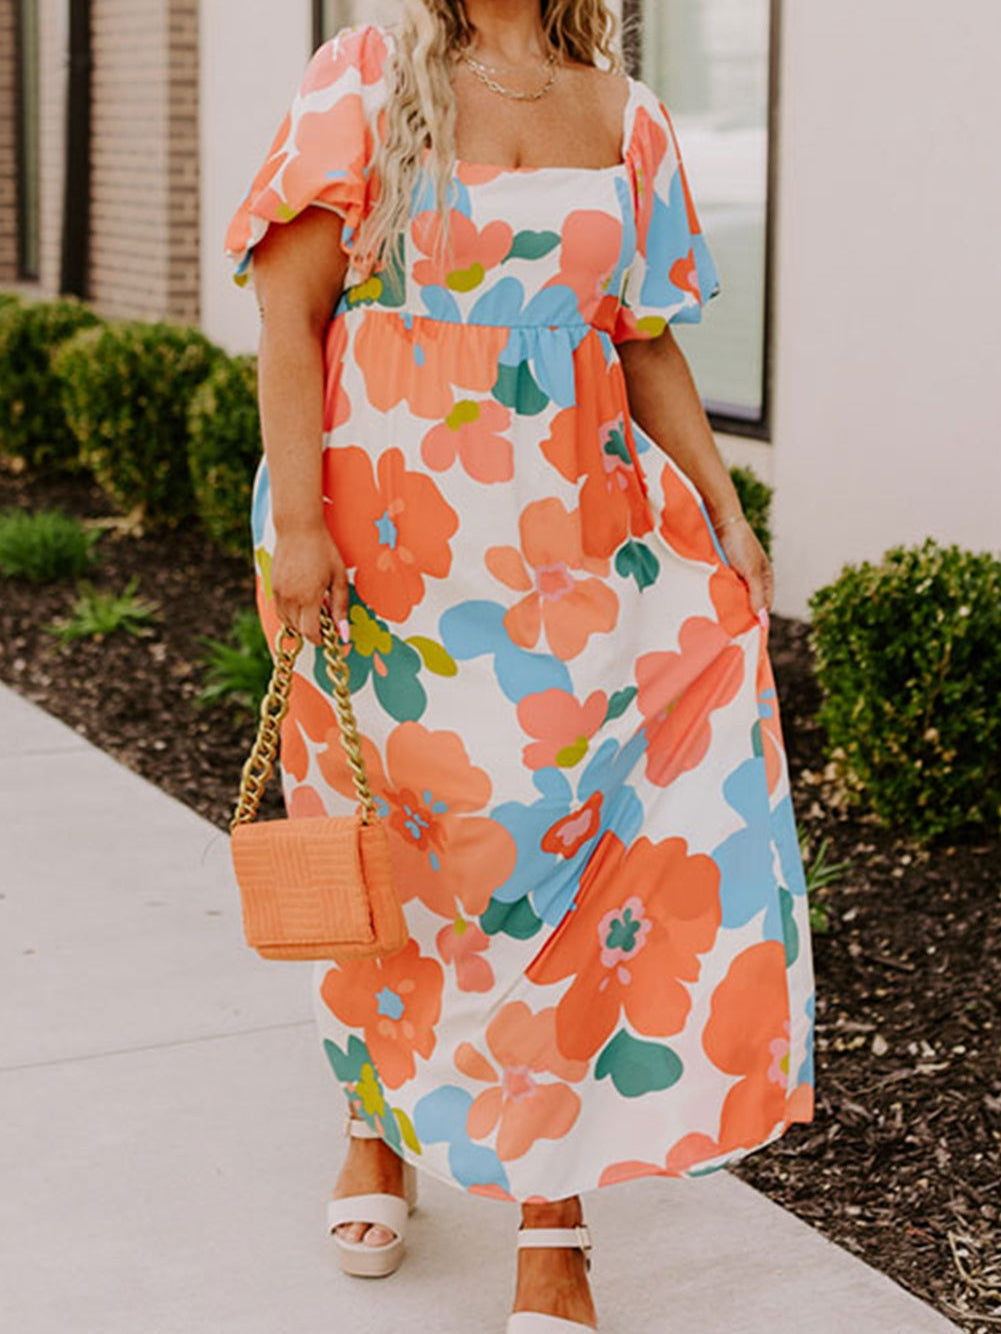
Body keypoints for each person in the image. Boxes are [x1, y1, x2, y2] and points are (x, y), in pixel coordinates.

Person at [224, 2, 816, 1329]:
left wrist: (720, 504)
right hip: (385, 550)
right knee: (407, 856)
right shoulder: (366, 77)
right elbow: (288, 309)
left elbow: (642, 334)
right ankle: (375, 1122)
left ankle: (554, 1212)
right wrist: (304, 532)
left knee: (567, 870)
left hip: (578, 554)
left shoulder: (626, 110)